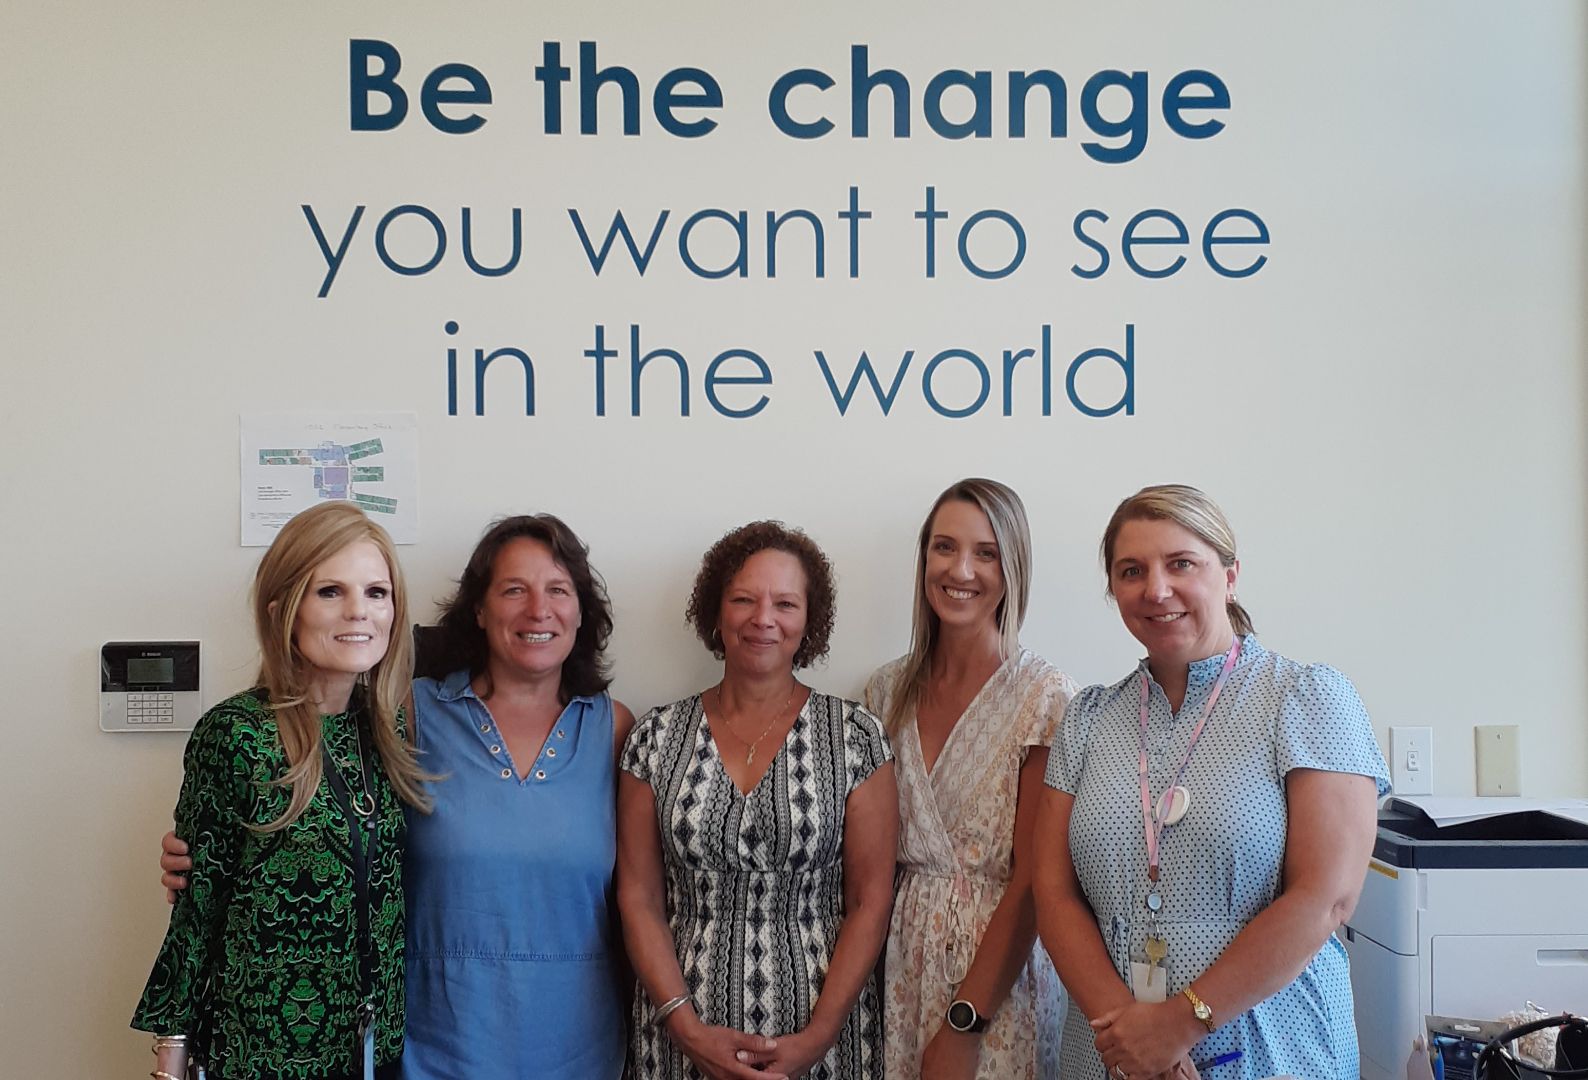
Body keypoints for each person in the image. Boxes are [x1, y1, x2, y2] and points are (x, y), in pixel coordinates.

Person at [158, 513, 633, 1080]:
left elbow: (653, 888)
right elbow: (297, 823)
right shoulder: (405, 715)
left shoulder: (615, 731)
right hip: (419, 1042)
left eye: (559, 589)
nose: (539, 609)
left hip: (574, 1041)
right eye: (514, 589)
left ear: (583, 609)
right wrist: (201, 857)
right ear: (478, 610)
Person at [1032, 485, 1389, 1080]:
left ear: (1229, 576)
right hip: (1110, 1054)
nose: (1156, 588)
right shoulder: (1089, 717)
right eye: (1131, 571)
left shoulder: (1305, 699)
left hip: (1272, 1050)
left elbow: (1326, 896)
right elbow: (1053, 892)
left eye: (1181, 564)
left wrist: (1177, 1025)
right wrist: (1132, 1037)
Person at [133, 501, 431, 1080]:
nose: (359, 612)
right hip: (261, 1055)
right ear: (283, 611)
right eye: (329, 592)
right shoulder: (238, 735)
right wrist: (170, 1058)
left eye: (376, 592)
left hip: (377, 1051)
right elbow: (197, 912)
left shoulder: (392, 729)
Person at [616, 521, 899, 1080]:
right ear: (716, 613)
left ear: (809, 620)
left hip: (822, 1043)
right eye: (743, 599)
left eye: (785, 603)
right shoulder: (655, 738)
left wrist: (817, 1038)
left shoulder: (856, 737)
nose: (763, 618)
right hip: (678, 1038)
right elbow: (638, 896)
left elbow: (871, 900)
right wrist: (687, 1031)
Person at [863, 479, 1076, 1080]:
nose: (961, 569)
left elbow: (1036, 879)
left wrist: (966, 1021)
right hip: (899, 971)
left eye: (985, 553)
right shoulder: (886, 691)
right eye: (944, 547)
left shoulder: (1045, 696)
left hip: (997, 984)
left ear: (1013, 570)